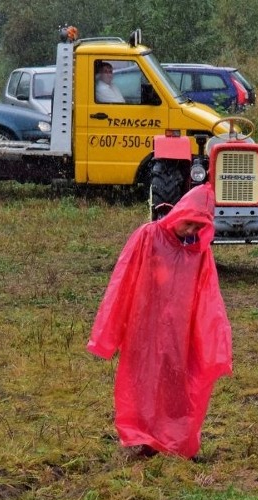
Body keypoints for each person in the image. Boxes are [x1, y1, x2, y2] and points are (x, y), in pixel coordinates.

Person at [87, 183, 232, 459]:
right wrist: (111, 331)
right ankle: (147, 440)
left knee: (180, 384)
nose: (190, 232)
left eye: (197, 228)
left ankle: (181, 441)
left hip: (181, 330)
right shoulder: (148, 237)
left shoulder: (198, 252)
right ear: (179, 214)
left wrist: (211, 340)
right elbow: (123, 283)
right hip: (146, 326)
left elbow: (208, 296)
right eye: (189, 224)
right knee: (144, 381)